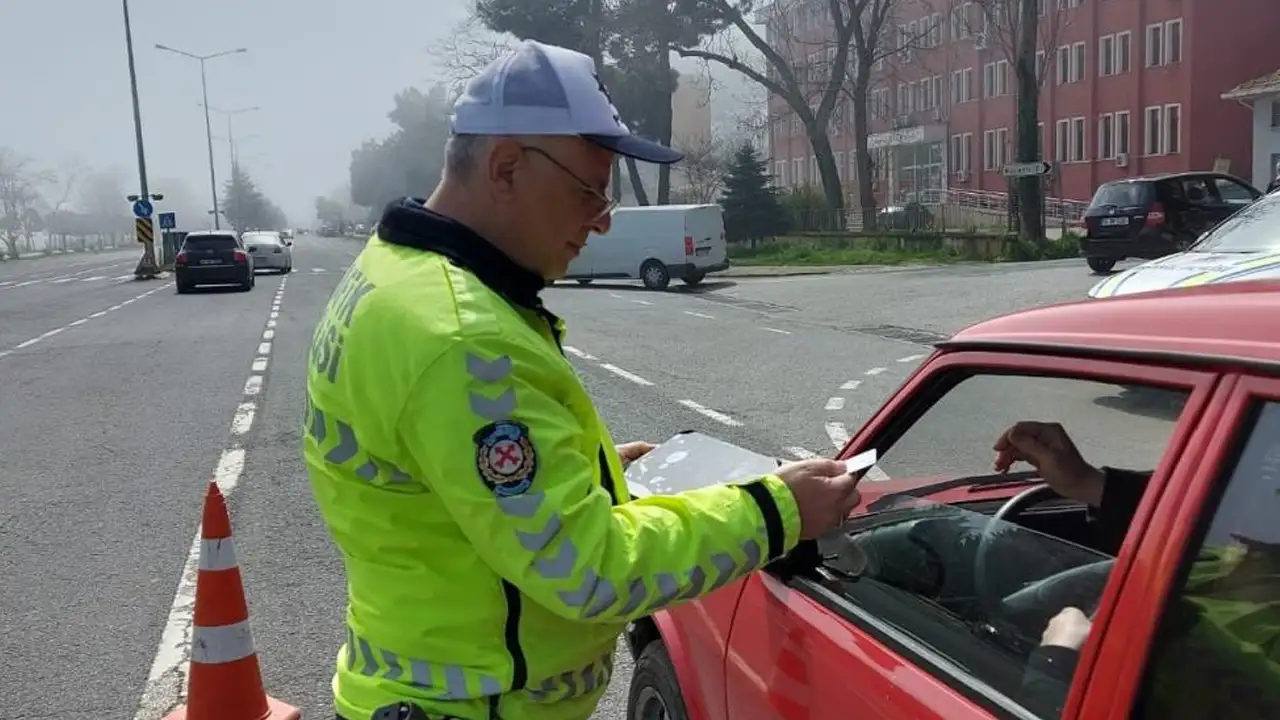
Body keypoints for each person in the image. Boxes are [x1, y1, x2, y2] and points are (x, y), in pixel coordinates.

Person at [302, 39, 862, 720]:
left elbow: (436, 474)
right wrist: (777, 511)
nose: (602, 219)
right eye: (589, 192)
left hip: (413, 685)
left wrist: (580, 473)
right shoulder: (462, 334)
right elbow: (588, 570)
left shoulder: (392, 275)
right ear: (506, 167)